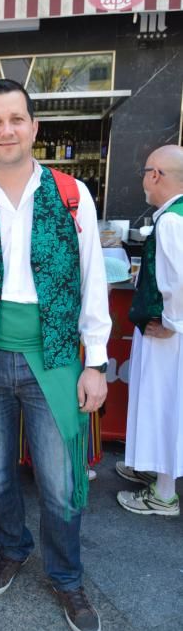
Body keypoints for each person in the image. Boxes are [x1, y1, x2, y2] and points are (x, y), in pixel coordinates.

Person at [0, 79, 111, 631]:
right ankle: (11, 548)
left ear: (34, 127)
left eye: (17, 118)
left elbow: (91, 281)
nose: (7, 129)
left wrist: (96, 360)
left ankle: (66, 576)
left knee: (61, 480)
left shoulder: (70, 193)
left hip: (56, 356)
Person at [116, 145, 183, 516]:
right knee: (161, 402)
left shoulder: (172, 220)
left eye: (145, 172)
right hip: (169, 331)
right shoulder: (174, 216)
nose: (143, 179)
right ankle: (151, 466)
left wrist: (172, 324)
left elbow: (179, 281)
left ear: (156, 174)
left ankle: (164, 492)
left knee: (164, 405)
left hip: (168, 336)